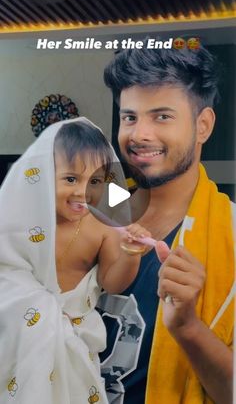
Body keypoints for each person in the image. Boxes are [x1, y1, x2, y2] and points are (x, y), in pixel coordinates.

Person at [97, 42, 235, 404]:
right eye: (129, 117)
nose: (139, 134)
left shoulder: (231, 233)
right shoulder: (97, 204)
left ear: (203, 125)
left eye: (161, 116)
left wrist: (188, 327)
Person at [0, 117, 151, 404]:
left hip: (74, 338)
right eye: (70, 179)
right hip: (22, 336)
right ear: (44, 175)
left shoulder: (102, 224)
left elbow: (112, 282)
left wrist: (130, 255)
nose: (82, 192)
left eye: (94, 181)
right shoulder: (26, 218)